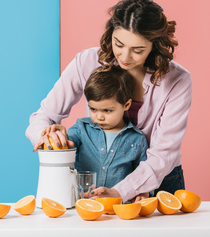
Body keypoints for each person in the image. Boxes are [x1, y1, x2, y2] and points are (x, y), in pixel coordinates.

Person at [26, 0, 192, 203]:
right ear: (110, 34)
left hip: (157, 182)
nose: (124, 57)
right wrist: (50, 138)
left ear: (154, 45)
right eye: (119, 44)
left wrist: (124, 191)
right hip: (98, 179)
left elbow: (163, 155)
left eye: (138, 50)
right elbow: (43, 117)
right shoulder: (87, 62)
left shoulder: (177, 81)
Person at [41, 66, 149, 200]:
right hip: (83, 205)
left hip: (118, 208)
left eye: (107, 111)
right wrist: (61, 136)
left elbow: (143, 174)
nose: (99, 117)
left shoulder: (137, 139)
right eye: (93, 109)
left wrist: (143, 192)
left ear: (126, 105)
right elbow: (67, 144)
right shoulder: (81, 128)